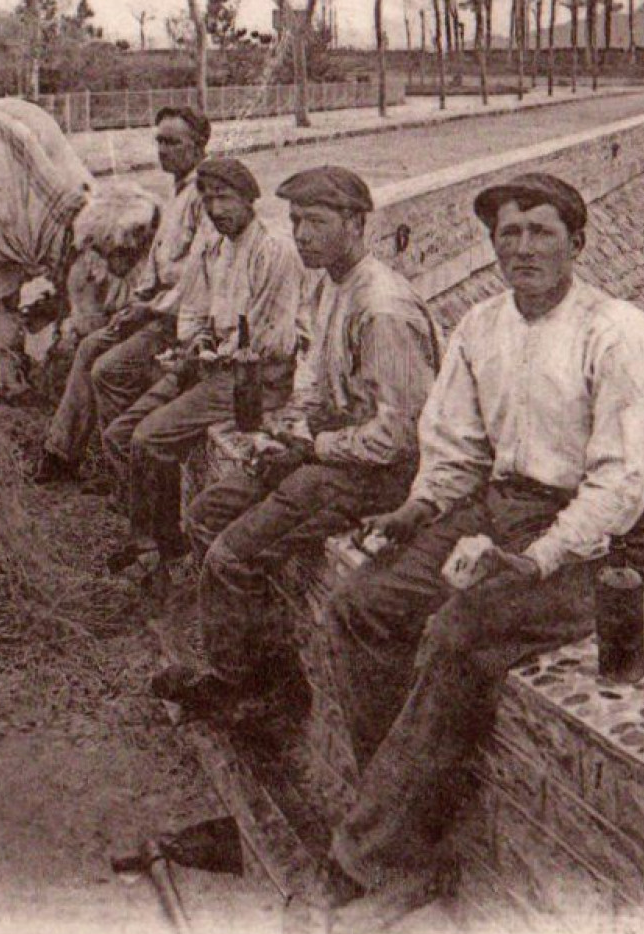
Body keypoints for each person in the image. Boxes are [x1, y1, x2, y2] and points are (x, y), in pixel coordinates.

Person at [321, 172, 644, 908]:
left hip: (598, 542)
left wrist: (538, 558)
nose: (519, 247)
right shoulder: (481, 326)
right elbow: (455, 446)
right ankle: (399, 806)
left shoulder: (617, 333)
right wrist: (416, 509)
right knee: (362, 602)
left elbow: (621, 482)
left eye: (539, 231)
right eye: (506, 234)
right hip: (499, 508)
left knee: (461, 631)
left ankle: (381, 852)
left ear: (576, 243)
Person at [150, 165, 441, 717]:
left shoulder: (381, 309)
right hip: (333, 452)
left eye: (316, 221)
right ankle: (268, 671)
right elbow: (312, 379)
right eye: (295, 220)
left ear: (356, 224)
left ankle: (251, 688)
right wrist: (293, 434)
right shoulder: (329, 282)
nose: (301, 234)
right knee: (209, 513)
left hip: (377, 476)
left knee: (234, 555)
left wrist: (315, 448)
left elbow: (401, 436)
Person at [102, 157, 305, 585]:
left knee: (148, 437)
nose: (216, 208)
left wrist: (215, 352)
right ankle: (157, 536)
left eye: (225, 197)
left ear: (250, 199)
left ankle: (155, 549)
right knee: (120, 435)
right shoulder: (214, 247)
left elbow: (268, 336)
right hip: (212, 364)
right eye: (209, 198)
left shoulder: (273, 250)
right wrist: (193, 345)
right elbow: (193, 306)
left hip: (253, 377)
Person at [37, 106, 212, 484]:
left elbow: (198, 278)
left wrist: (149, 308)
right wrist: (139, 301)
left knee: (108, 366)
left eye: (172, 142)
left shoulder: (204, 197)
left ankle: (122, 474)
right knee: (89, 345)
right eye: (159, 141)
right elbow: (158, 266)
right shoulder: (177, 192)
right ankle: (62, 452)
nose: (163, 150)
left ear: (198, 146)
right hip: (157, 309)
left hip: (181, 321)